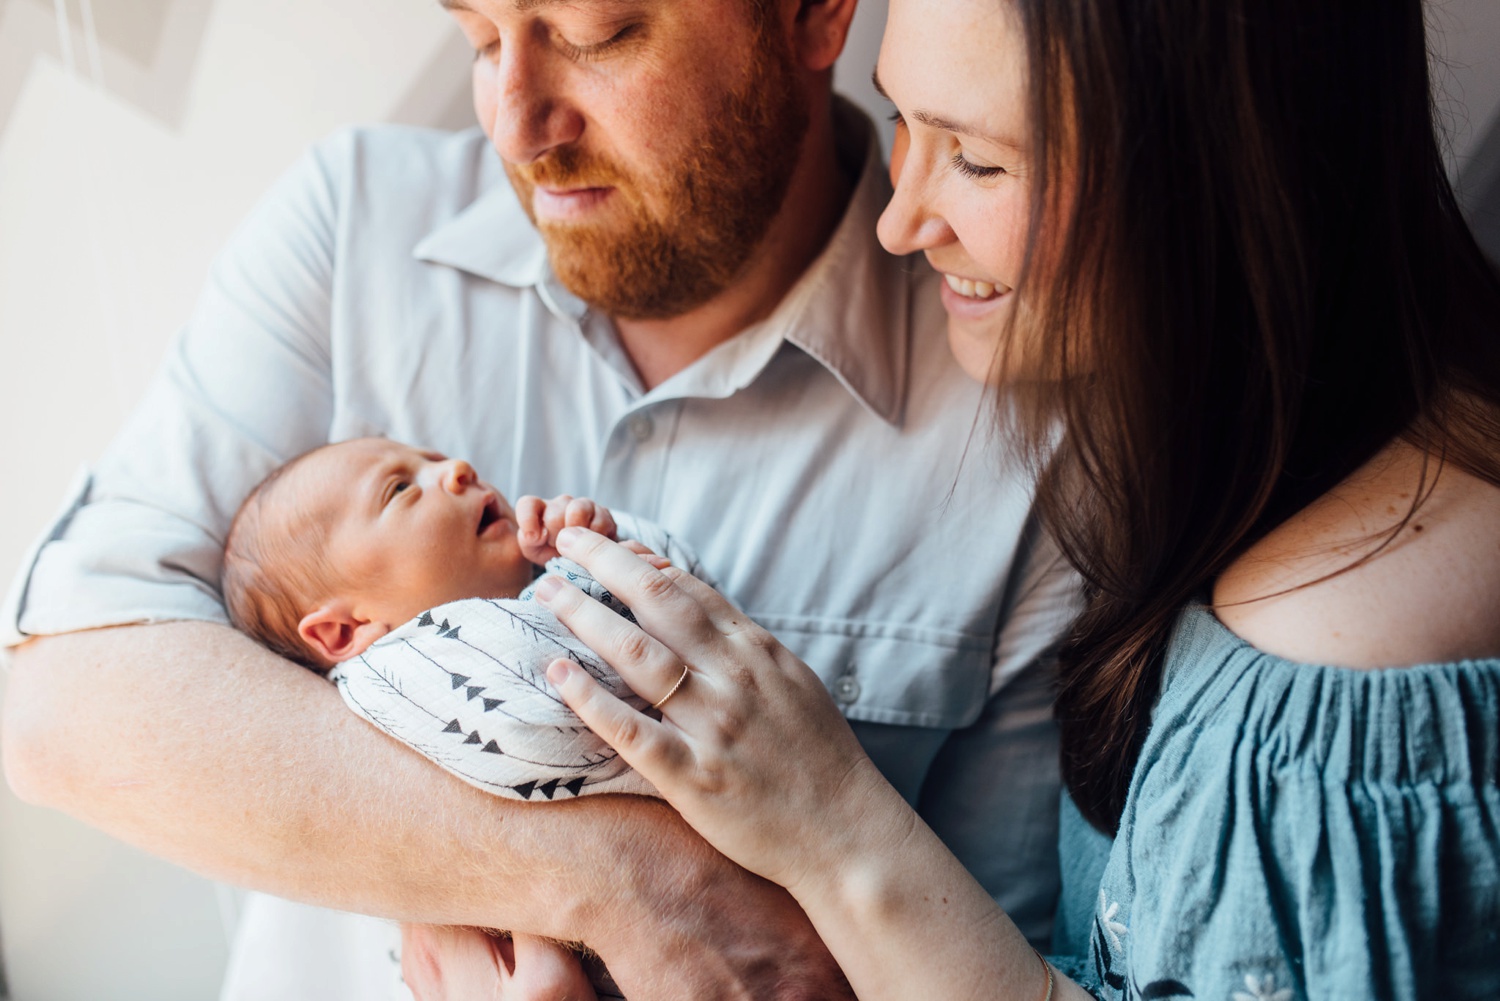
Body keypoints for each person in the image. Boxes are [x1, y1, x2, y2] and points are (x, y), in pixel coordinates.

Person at [0, 0, 1079, 997]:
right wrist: (624, 879)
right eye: (477, 35)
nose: (517, 125)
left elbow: (1000, 957)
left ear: (812, 13)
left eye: (599, 32)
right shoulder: (355, 229)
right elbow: (57, 701)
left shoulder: (1032, 424)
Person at [535, 0, 1500, 997]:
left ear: (1217, 176)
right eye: (904, 121)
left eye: (981, 163)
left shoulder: (1331, 670)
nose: (899, 221)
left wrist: (832, 820)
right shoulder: (1220, 459)